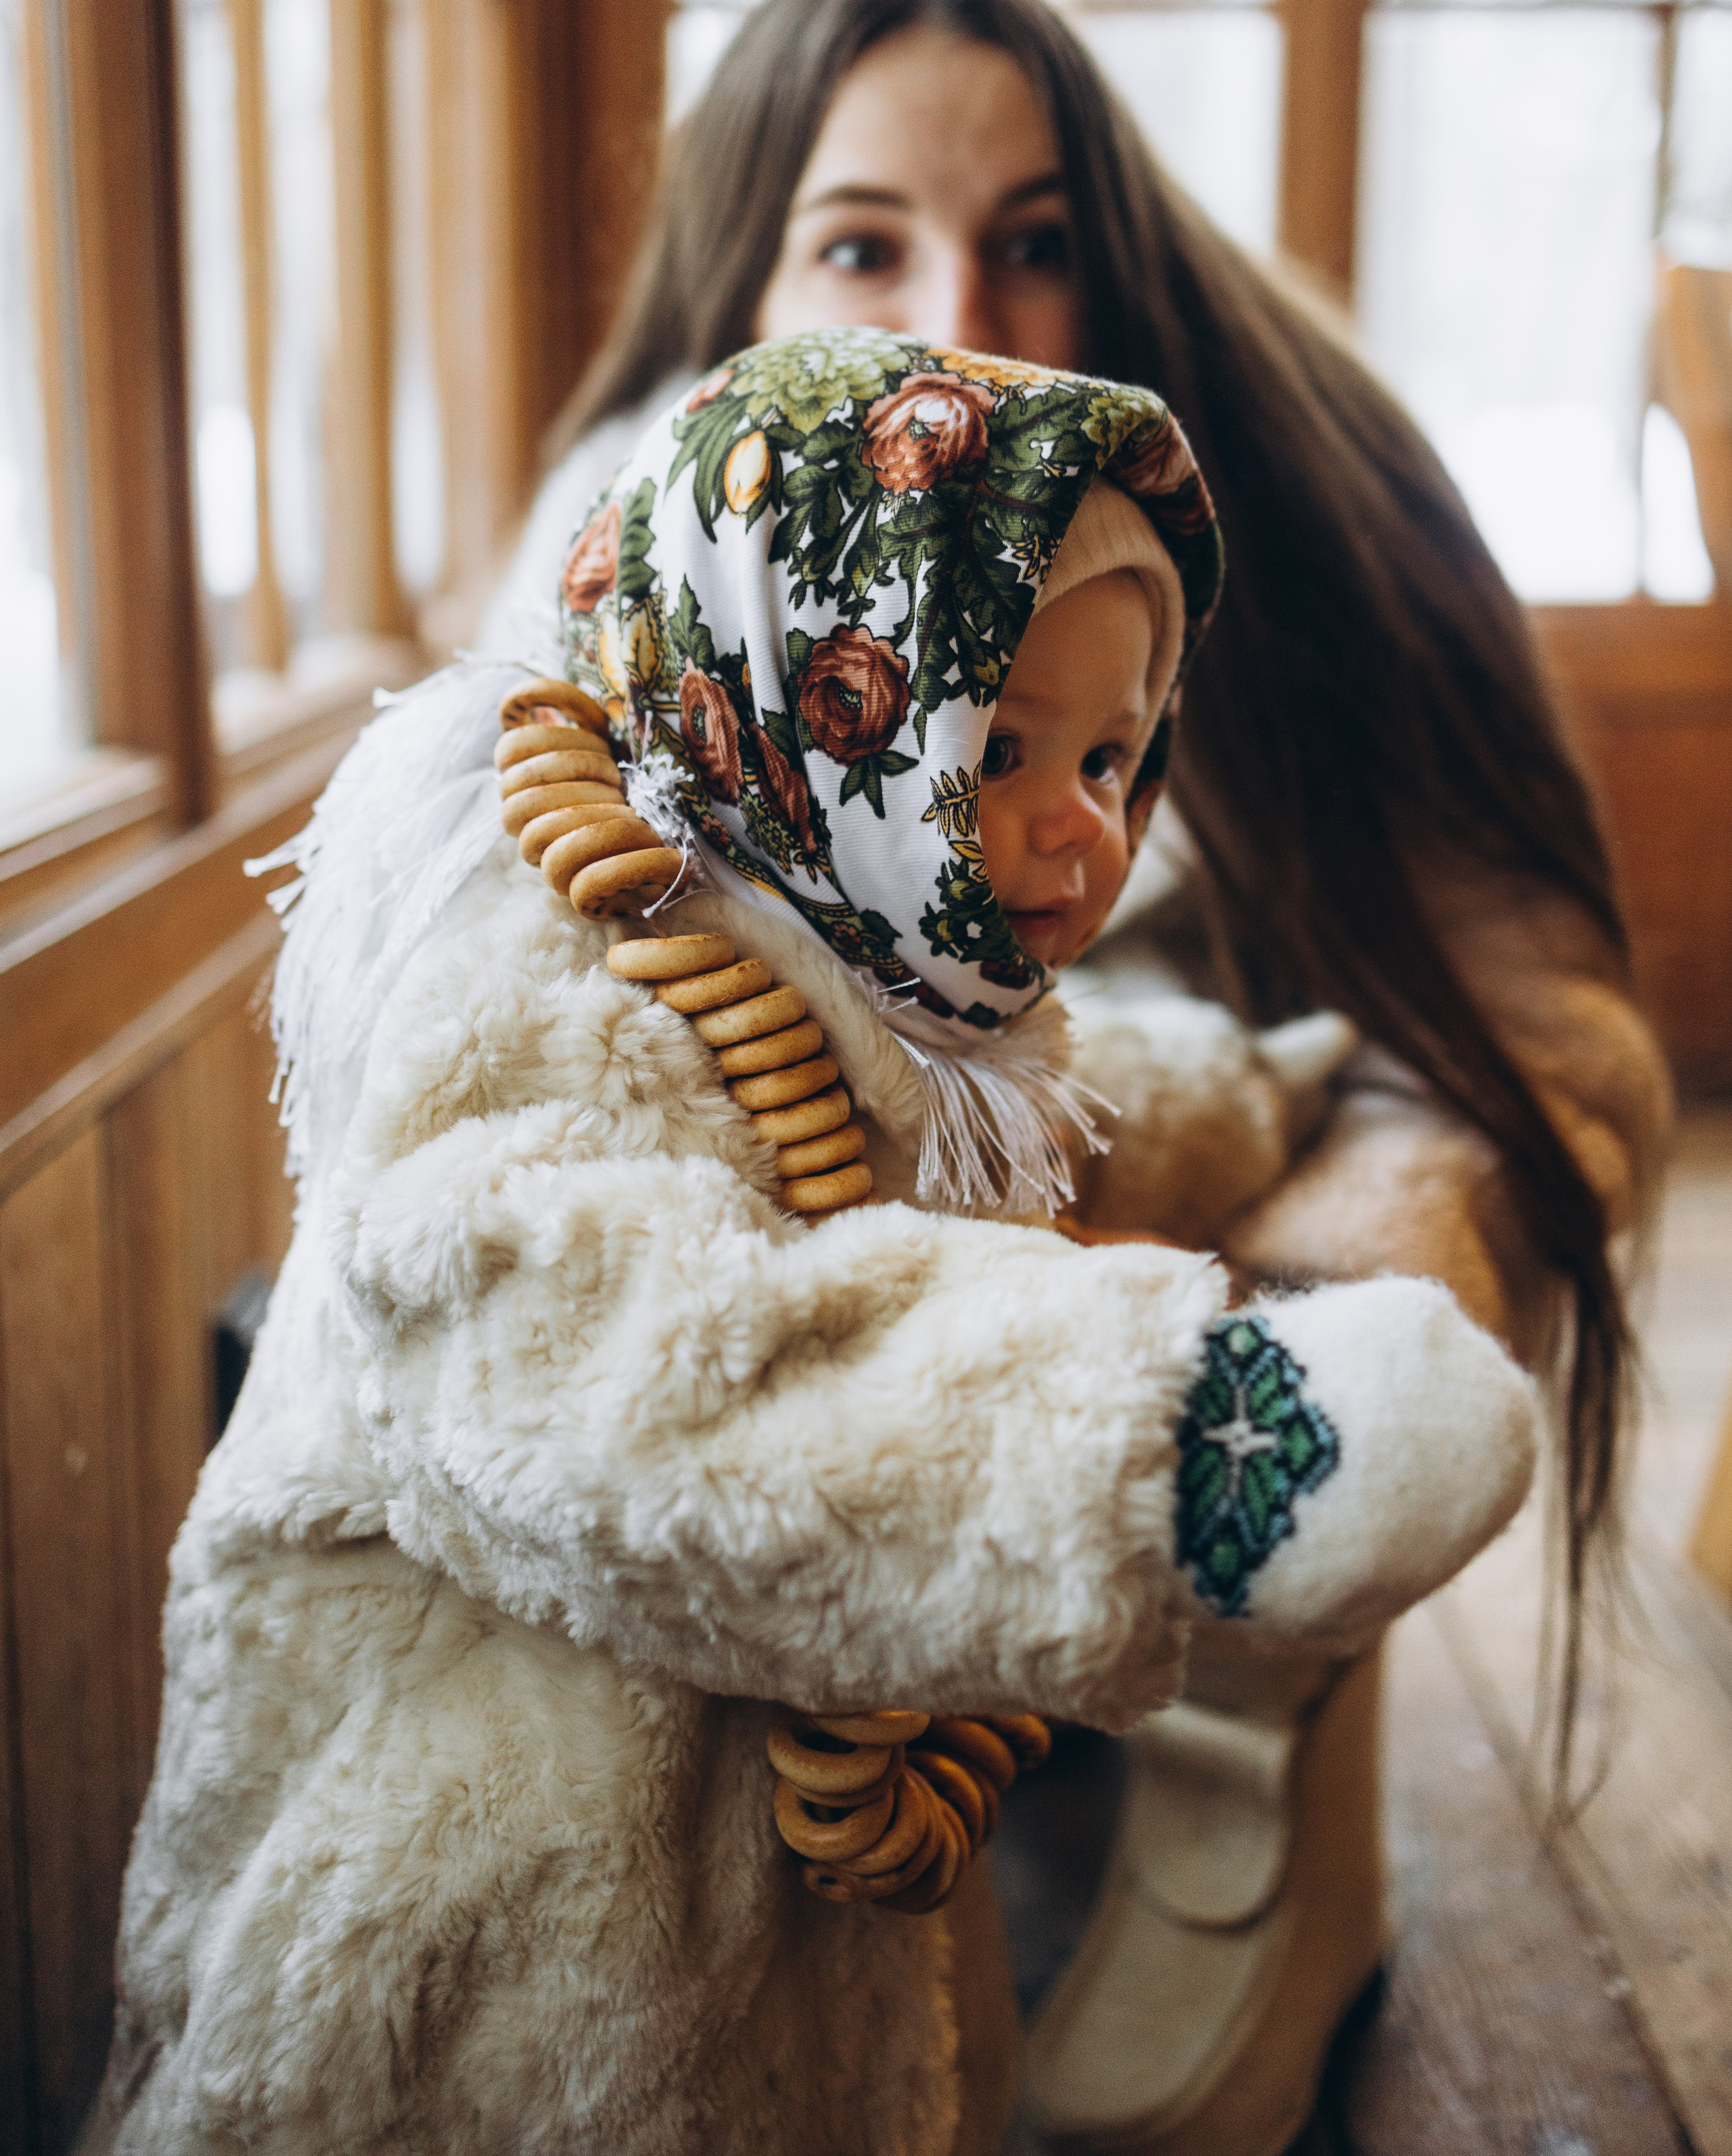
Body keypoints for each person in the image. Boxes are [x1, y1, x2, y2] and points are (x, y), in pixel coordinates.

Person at [97, 330, 1538, 2156]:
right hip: (481, 1951)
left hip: (778, 1945)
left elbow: (1032, 1115)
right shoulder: (542, 987)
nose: (1081, 825)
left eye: (1114, 755)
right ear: (803, 682)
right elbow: (620, 1380)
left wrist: (1274, 1085)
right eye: (1000, 743)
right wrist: (1177, 1435)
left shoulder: (854, 942)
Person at [480, 0, 1673, 2152]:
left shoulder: (1299, 479)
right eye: (861, 244)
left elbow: (1537, 999)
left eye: (1039, 238)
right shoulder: (628, 548)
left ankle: (1251, 1736)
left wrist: (1346, 1255)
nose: (972, 312)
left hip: (1222, 1156)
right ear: (743, 285)